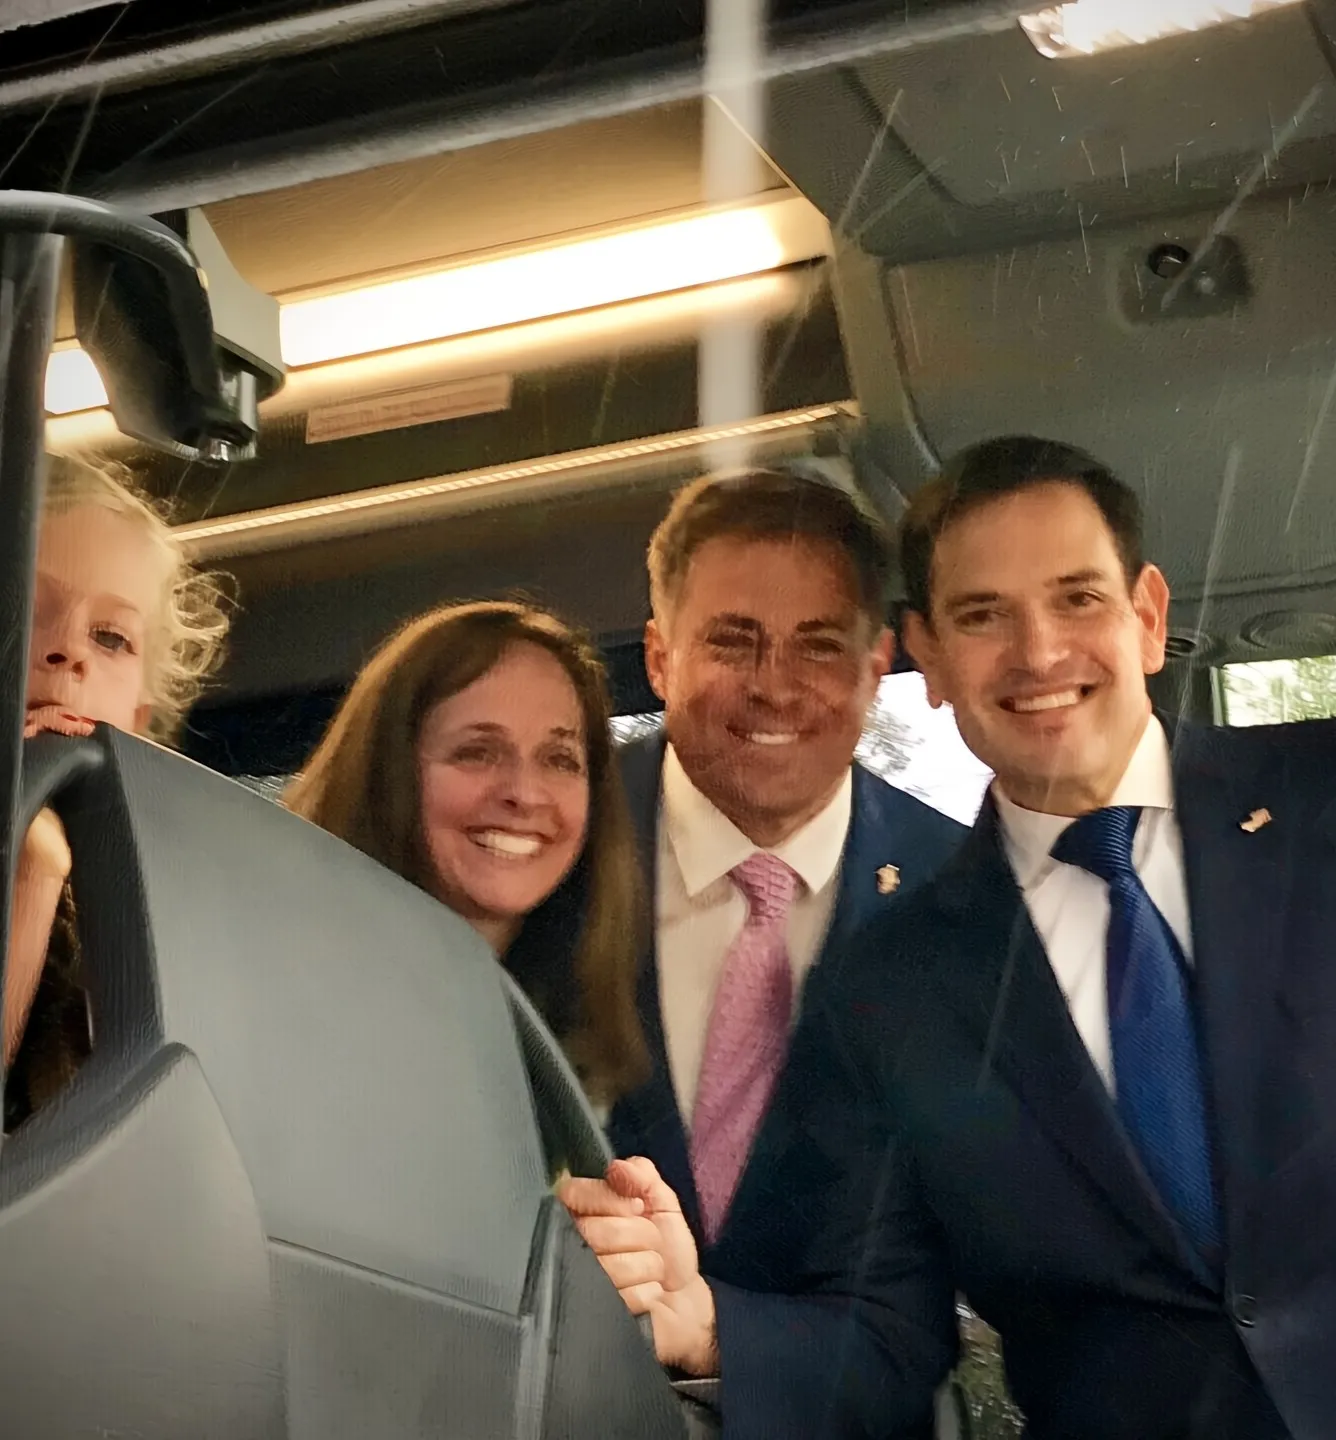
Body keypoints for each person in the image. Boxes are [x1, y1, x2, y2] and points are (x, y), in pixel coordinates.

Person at [791, 435, 1336, 1438]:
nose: (1038, 652)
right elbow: (881, 1323)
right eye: (982, 615)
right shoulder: (888, 985)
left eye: (1077, 597)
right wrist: (707, 1327)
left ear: (1147, 617)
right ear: (929, 658)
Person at [558, 467, 967, 1439]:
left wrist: (716, 1336)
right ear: (659, 658)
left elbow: (929, 1291)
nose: (773, 683)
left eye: (817, 646)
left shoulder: (968, 906)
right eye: (731, 640)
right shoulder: (541, 844)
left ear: (874, 669)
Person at [284, 601, 648, 1110]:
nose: (525, 793)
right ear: (388, 771)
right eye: (477, 752)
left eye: (559, 759)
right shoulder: (284, 1014)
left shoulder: (571, 1037)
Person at [5, 453, 230, 1133]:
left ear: (137, 717)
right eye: (21, 608)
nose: (68, 651)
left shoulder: (158, 909)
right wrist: (31, 871)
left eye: (110, 638)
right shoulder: (40, 869)